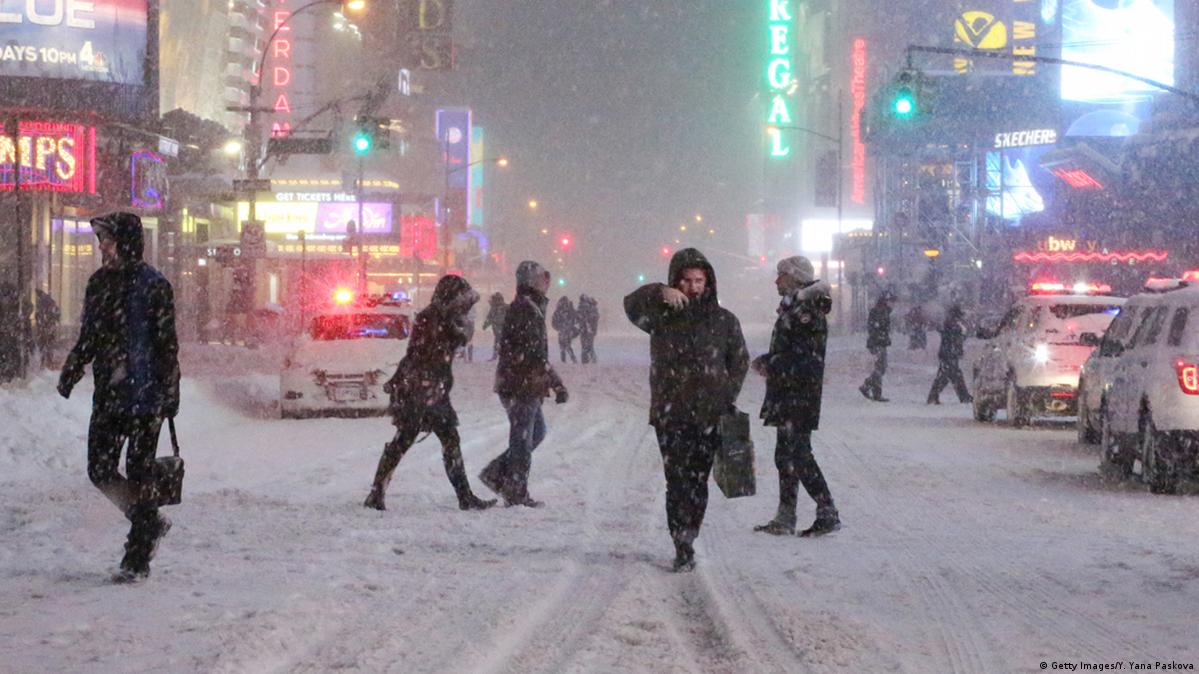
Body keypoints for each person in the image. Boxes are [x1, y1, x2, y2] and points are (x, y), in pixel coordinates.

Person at [57, 212, 180, 583]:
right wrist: (74, 367)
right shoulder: (99, 284)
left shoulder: (154, 286)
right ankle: (147, 521)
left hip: (145, 397)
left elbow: (166, 345)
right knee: (100, 469)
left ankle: (137, 553)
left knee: (141, 471)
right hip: (110, 394)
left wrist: (169, 390)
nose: (101, 247)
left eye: (106, 240)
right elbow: (90, 334)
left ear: (125, 242)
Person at [624, 248, 748, 572]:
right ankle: (682, 543)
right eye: (687, 281)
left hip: (709, 416)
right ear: (675, 282)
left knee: (698, 483)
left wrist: (725, 394)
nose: (694, 287)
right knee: (677, 482)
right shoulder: (662, 316)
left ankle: (689, 532)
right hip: (672, 416)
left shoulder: (724, 321)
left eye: (699, 280)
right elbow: (630, 305)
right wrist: (657, 292)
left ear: (708, 282)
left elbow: (740, 360)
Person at [364, 275, 496, 512]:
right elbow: (422, 355)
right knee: (416, 439)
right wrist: (423, 385)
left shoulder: (442, 318)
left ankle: (378, 492)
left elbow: (449, 344)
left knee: (427, 439)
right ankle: (377, 493)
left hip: (428, 389)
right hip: (421, 390)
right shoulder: (432, 318)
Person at [752, 256, 841, 538]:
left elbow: (804, 358)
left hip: (798, 394)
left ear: (794, 276)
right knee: (786, 455)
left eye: (781, 275)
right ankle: (786, 514)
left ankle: (827, 510)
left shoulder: (806, 311)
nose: (776, 281)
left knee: (799, 455)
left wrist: (771, 363)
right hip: (789, 392)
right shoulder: (796, 307)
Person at [479, 261, 568, 507]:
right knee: (523, 439)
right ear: (531, 282)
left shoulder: (531, 307)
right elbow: (534, 354)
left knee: (534, 433)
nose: (546, 282)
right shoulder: (525, 309)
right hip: (520, 385)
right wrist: (556, 383)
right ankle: (515, 490)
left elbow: (534, 354)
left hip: (522, 383)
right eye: (542, 278)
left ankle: (497, 474)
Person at [927, 304, 973, 404]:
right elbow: (955, 338)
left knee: (950, 376)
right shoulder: (951, 324)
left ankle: (963, 396)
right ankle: (963, 396)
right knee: (949, 376)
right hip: (949, 354)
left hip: (949, 353)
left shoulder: (951, 324)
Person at [859, 291, 893, 402]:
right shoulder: (879, 312)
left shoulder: (883, 311)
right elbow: (876, 327)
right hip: (878, 343)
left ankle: (870, 388)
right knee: (880, 368)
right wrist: (880, 337)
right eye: (889, 301)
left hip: (879, 342)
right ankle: (873, 390)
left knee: (880, 368)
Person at [34, 289, 61, 369]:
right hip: (49, 326)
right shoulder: (50, 301)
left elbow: (39, 314)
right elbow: (56, 312)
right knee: (49, 344)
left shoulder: (41, 303)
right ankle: (49, 360)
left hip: (44, 326)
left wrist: (40, 322)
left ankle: (44, 361)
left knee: (44, 344)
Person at [551, 295, 579, 363]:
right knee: (568, 345)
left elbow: (553, 322)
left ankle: (564, 360)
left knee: (562, 347)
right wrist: (571, 325)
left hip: (562, 330)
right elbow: (577, 318)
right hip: (568, 330)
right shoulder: (570, 309)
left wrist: (559, 327)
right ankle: (573, 359)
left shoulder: (558, 310)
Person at [482, 292, 507, 362]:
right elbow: (489, 318)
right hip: (497, 328)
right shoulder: (494, 308)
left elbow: (489, 318)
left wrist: (486, 324)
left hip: (503, 328)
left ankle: (499, 356)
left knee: (500, 342)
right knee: (498, 342)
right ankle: (496, 356)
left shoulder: (505, 307)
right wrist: (485, 325)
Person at [577, 294, 599, 364]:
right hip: (589, 329)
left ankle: (586, 360)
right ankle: (591, 359)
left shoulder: (583, 307)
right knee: (589, 345)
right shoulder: (593, 309)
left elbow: (580, 318)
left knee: (585, 345)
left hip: (586, 329)